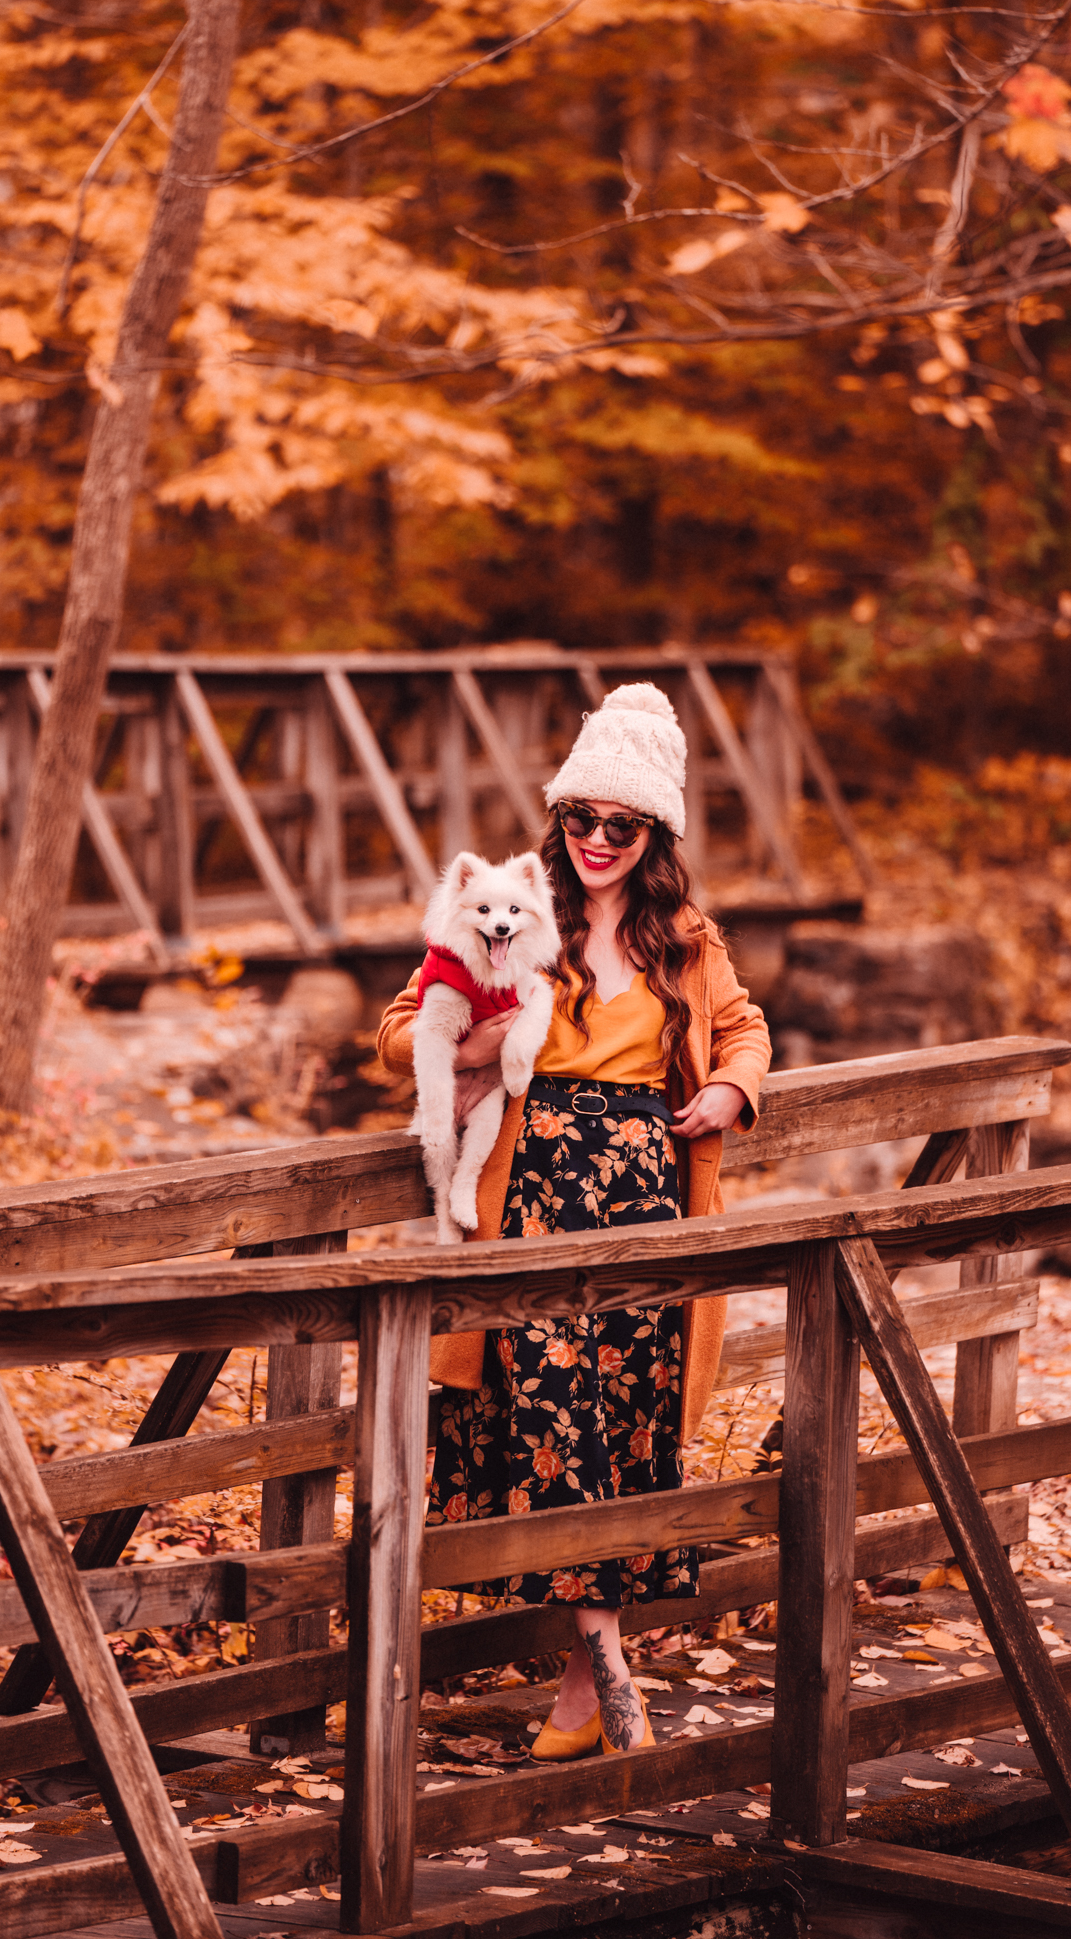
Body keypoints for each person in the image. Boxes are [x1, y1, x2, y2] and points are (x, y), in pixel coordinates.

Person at [376, 683, 771, 1756]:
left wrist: (732, 1090)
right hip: (537, 1199)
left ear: (655, 836)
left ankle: (578, 1690)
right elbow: (405, 1021)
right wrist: (476, 1047)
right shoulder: (509, 907)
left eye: (621, 824)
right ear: (559, 819)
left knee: (627, 1430)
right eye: (580, 818)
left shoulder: (681, 937)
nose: (596, 840)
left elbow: (744, 1029)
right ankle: (613, 1680)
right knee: (555, 1420)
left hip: (646, 1201)